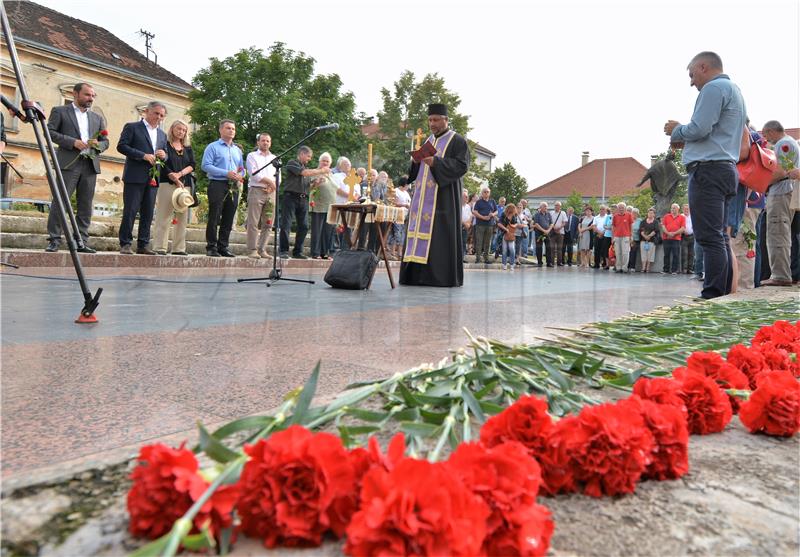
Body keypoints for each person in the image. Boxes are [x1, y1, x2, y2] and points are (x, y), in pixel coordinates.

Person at [665, 51, 746, 299]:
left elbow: (700, 128)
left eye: (692, 75)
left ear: (703, 67)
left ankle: (712, 294)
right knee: (719, 236)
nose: (691, 82)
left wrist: (676, 130)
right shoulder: (735, 91)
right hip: (725, 169)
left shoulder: (713, 89)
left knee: (709, 238)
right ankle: (720, 293)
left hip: (708, 170)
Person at [400, 103, 470, 286]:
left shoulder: (457, 140)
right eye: (430, 119)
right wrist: (415, 162)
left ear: (446, 120)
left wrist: (437, 163)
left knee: (438, 236)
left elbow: (462, 166)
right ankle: (415, 276)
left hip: (442, 200)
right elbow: (416, 172)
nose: (432, 123)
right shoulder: (428, 141)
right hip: (421, 199)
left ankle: (437, 277)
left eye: (436, 120)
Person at [46, 83, 108, 253]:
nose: (91, 98)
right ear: (75, 93)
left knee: (85, 205)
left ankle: (81, 241)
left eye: (93, 96)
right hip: (68, 163)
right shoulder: (60, 111)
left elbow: (106, 141)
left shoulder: (97, 118)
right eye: (87, 95)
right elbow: (49, 132)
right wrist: (72, 142)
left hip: (90, 165)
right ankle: (54, 240)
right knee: (61, 201)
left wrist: (98, 145)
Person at [117, 100, 168, 255]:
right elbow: (121, 146)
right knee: (131, 210)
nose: (158, 117)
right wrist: (142, 155)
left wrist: (164, 155)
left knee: (148, 212)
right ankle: (125, 243)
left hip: (153, 177)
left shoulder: (162, 134)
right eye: (156, 113)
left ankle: (143, 245)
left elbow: (165, 154)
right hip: (135, 175)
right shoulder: (132, 127)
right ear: (147, 112)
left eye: (161, 115)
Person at [760, 120, 797, 287]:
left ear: (771, 131)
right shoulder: (788, 143)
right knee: (782, 233)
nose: (766, 138)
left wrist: (761, 184)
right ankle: (783, 273)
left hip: (781, 193)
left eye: (766, 134)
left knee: (778, 234)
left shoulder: (783, 144)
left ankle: (781, 275)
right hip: (785, 193)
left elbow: (783, 171)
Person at [201, 119, 245, 257]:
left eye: (233, 128)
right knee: (215, 216)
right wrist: (225, 173)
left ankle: (223, 246)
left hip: (233, 186)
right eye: (228, 128)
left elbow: (242, 168)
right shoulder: (212, 147)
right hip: (217, 184)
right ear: (220, 130)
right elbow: (205, 166)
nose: (231, 130)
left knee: (228, 217)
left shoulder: (237, 150)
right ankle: (211, 247)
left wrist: (239, 175)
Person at [152, 120, 195, 256]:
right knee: (163, 216)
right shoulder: (165, 145)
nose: (181, 132)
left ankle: (178, 248)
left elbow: (192, 164)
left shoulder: (187, 148)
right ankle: (160, 247)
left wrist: (180, 174)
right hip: (167, 182)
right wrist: (172, 175)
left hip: (184, 185)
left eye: (184, 130)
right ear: (172, 129)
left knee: (182, 218)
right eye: (179, 129)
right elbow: (161, 162)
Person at [279, 146, 329, 259]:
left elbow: (308, 188)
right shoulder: (292, 163)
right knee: (286, 224)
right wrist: (321, 170)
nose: (309, 159)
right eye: (308, 156)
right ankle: (283, 251)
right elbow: (304, 173)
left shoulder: (305, 168)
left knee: (304, 226)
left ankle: (298, 252)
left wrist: (316, 183)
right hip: (290, 197)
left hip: (303, 199)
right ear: (301, 154)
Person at [244, 133, 277, 259]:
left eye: (268, 141)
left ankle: (262, 249)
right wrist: (270, 182)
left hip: (271, 192)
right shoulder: (252, 156)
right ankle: (252, 250)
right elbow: (253, 174)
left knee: (268, 222)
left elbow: (277, 176)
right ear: (258, 142)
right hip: (256, 190)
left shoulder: (274, 158)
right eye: (263, 141)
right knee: (253, 222)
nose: (265, 143)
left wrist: (273, 186)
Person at [633, 151, 685, 218]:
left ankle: (659, 218)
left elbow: (678, 176)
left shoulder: (671, 165)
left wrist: (689, 175)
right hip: (661, 191)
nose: (669, 157)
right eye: (670, 156)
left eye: (671, 157)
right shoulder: (662, 164)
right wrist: (641, 182)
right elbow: (650, 172)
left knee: (663, 207)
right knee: (661, 207)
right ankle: (659, 218)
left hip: (665, 191)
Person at [309, 152, 337, 259]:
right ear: (319, 162)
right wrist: (317, 183)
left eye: (327, 161)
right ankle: (315, 253)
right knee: (317, 230)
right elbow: (309, 188)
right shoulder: (314, 172)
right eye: (323, 161)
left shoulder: (332, 175)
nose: (325, 163)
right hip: (318, 205)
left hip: (330, 207)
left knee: (328, 231)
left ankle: (324, 252)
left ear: (330, 163)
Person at [472, 187, 496, 264]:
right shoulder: (478, 202)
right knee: (479, 242)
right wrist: (483, 217)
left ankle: (486, 258)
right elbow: (475, 212)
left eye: (488, 192)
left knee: (488, 242)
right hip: (480, 225)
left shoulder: (492, 201)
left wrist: (493, 214)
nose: (486, 193)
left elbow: (496, 211)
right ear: (482, 193)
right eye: (485, 192)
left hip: (490, 225)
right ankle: (478, 258)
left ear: (490, 193)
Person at [389, 177, 411, 259]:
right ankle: (392, 251)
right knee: (396, 233)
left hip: (405, 215)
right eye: (408, 184)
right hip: (397, 215)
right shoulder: (395, 191)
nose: (409, 186)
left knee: (403, 234)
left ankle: (400, 253)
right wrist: (404, 205)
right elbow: (393, 203)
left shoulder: (406, 193)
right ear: (405, 184)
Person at [661, 203, 685, 274]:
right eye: (671, 208)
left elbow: (683, 228)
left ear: (678, 209)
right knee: (666, 255)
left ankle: (674, 270)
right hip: (666, 238)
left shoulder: (682, 217)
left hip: (676, 239)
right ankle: (666, 270)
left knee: (675, 255)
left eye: (674, 208)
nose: (672, 209)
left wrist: (674, 233)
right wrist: (668, 233)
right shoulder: (666, 216)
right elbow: (663, 226)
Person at [611, 202, 634, 272]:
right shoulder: (615, 216)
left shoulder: (629, 215)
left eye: (622, 208)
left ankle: (624, 268)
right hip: (617, 237)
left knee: (625, 253)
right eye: (620, 208)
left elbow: (631, 226)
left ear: (625, 208)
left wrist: (631, 236)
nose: (621, 209)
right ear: (617, 209)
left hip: (626, 236)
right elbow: (613, 226)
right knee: (618, 253)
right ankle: (618, 268)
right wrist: (613, 237)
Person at [498, 202, 518, 270]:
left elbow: (516, 224)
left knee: (512, 249)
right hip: (504, 234)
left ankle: (512, 264)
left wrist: (512, 225)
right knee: (504, 250)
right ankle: (504, 264)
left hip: (511, 234)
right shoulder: (503, 215)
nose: (515, 210)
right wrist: (505, 229)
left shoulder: (514, 216)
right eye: (514, 209)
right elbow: (499, 224)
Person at [532, 202, 553, 267]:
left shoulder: (548, 214)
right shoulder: (537, 214)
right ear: (541, 207)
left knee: (549, 247)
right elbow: (536, 224)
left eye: (546, 206)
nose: (546, 208)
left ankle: (549, 262)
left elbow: (551, 223)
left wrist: (548, 230)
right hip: (539, 233)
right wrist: (544, 230)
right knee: (539, 248)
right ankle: (539, 262)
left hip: (547, 233)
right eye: (545, 206)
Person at [639, 207, 659, 273]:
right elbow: (641, 230)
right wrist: (645, 236)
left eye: (651, 213)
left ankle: (647, 268)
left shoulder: (656, 222)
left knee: (650, 254)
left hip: (652, 240)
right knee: (643, 254)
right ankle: (643, 267)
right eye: (649, 213)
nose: (650, 214)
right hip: (643, 240)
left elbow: (656, 230)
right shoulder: (643, 221)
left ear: (654, 214)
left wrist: (649, 236)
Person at [550, 201, 567, 266]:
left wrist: (559, 228)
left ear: (560, 206)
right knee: (552, 248)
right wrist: (554, 228)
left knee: (560, 248)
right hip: (553, 232)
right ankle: (551, 262)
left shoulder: (563, 213)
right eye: (555, 205)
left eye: (558, 205)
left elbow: (565, 222)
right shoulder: (551, 213)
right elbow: (550, 221)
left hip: (560, 232)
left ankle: (559, 262)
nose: (556, 206)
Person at [680, 204, 694, 274]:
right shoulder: (681, 216)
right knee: (684, 253)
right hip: (684, 236)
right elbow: (679, 225)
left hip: (692, 236)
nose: (686, 210)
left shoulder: (693, 216)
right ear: (683, 209)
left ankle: (690, 269)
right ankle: (684, 269)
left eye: (687, 209)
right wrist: (683, 230)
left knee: (691, 254)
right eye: (685, 209)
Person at [628, 208, 641, 272]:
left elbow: (641, 229)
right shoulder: (629, 220)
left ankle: (632, 266)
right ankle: (627, 266)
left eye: (636, 213)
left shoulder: (640, 221)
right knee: (627, 253)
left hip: (636, 239)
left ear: (638, 214)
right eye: (633, 213)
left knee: (633, 253)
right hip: (629, 238)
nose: (634, 214)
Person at [460, 189, 472, 258]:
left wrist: (469, 224)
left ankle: (462, 257)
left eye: (467, 196)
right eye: (465, 196)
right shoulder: (457, 205)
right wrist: (465, 223)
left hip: (466, 227)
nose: (467, 198)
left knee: (464, 242)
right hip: (459, 226)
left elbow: (470, 216)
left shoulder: (468, 206)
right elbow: (457, 216)